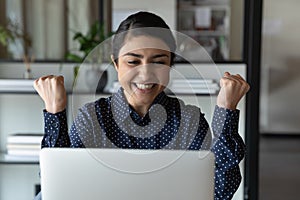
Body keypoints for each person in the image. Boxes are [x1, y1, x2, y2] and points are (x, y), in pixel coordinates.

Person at [33, 11, 250, 200]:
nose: (146, 73)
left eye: (159, 61)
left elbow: (218, 193)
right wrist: (55, 110)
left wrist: (226, 110)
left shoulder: (189, 119)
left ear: (170, 65)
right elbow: (59, 188)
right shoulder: (92, 118)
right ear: (116, 64)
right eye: (133, 61)